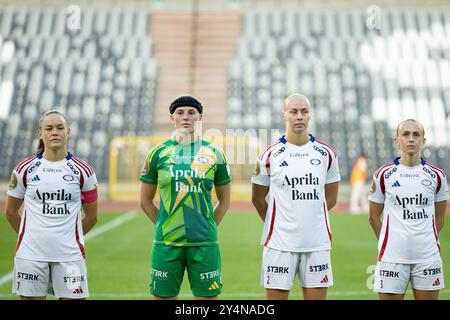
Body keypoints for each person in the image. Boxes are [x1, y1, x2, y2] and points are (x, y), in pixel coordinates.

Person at [140, 95, 231, 300]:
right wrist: (165, 225)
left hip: (205, 244)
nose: (186, 117)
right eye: (180, 113)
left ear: (200, 117)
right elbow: (145, 202)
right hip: (166, 244)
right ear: (172, 117)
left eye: (191, 113)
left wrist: (208, 227)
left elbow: (224, 201)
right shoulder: (158, 153)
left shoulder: (215, 153)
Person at [251, 93, 340, 300]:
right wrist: (279, 223)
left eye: (304, 112)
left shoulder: (326, 153)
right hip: (279, 245)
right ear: (284, 116)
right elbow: (257, 199)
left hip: (317, 244)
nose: (299, 116)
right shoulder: (269, 154)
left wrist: (309, 220)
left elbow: (331, 198)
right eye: (294, 112)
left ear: (310, 116)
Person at [5, 110, 98, 300]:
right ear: (40, 133)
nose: (54, 132)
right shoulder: (24, 169)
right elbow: (11, 212)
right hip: (30, 255)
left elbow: (92, 217)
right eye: (49, 128)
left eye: (60, 128)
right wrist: (31, 237)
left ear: (68, 132)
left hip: (70, 256)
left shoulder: (84, 171)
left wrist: (70, 238)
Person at [368, 119, 448, 300]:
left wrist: (425, 239)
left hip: (428, 258)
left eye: (416, 135)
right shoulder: (383, 174)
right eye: (405, 134)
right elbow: (373, 217)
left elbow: (440, 219)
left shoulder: (437, 175)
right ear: (397, 140)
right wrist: (388, 244)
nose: (411, 139)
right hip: (392, 258)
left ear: (423, 141)